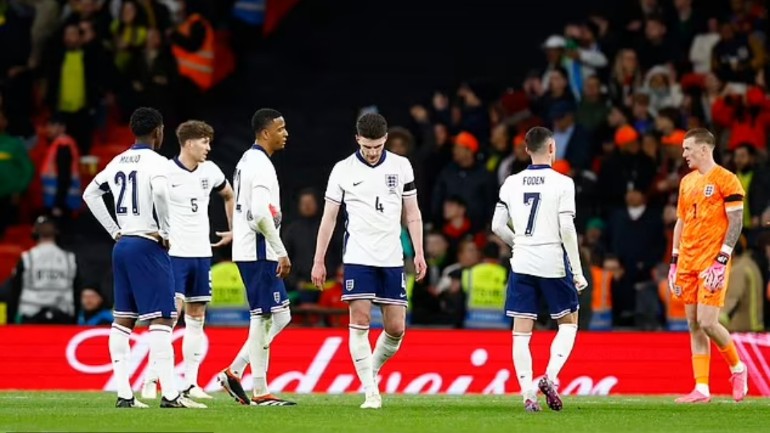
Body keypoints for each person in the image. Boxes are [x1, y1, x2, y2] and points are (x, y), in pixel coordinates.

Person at [82, 107, 205, 409]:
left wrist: (114, 230)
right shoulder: (158, 162)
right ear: (158, 132)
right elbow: (161, 193)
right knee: (163, 318)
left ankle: (125, 394)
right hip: (148, 244)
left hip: (122, 246)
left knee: (123, 319)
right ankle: (172, 395)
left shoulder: (118, 160)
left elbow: (90, 194)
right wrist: (164, 230)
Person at [311, 113, 427, 409]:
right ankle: (370, 391)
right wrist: (319, 260)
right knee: (360, 320)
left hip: (391, 257)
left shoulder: (401, 166)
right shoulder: (343, 170)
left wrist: (419, 252)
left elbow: (412, 213)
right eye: (367, 147)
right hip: (358, 256)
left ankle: (370, 372)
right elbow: (329, 218)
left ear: (385, 139)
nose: (372, 152)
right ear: (357, 139)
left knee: (396, 328)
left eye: (377, 146)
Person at [491, 126, 588, 413]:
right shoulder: (563, 183)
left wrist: (517, 243)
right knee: (568, 322)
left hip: (522, 260)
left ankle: (527, 394)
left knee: (521, 331)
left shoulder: (510, 182)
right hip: (553, 260)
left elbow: (496, 226)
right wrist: (578, 270)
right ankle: (550, 376)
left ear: (526, 150)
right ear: (551, 148)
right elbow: (567, 228)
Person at [141, 120, 235, 400]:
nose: (208, 147)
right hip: (174, 255)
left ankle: (190, 383)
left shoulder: (211, 171)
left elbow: (228, 195)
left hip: (201, 254)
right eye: (204, 142)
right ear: (189, 143)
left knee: (197, 318)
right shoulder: (165, 172)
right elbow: (146, 204)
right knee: (168, 319)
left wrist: (233, 228)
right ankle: (151, 379)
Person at [216, 108, 295, 406]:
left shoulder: (248, 160)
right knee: (262, 318)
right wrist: (281, 250)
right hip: (260, 250)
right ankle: (260, 391)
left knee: (280, 316)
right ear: (265, 132)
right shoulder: (260, 165)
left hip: (252, 249)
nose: (285, 133)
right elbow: (260, 214)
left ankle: (235, 371)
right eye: (280, 128)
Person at [668, 128, 748, 403]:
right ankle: (701, 388)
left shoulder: (727, 180)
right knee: (693, 324)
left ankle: (738, 368)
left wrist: (722, 258)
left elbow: (736, 221)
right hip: (688, 260)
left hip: (712, 261)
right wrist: (674, 260)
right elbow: (681, 221)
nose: (684, 153)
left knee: (708, 322)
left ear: (704, 149)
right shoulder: (686, 182)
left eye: (687, 148)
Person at [8, 216, 80, 324]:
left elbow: (15, 291)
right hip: (62, 318)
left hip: (31, 317)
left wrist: (11, 319)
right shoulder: (69, 259)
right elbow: (77, 291)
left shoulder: (27, 258)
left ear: (35, 232)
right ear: (56, 232)